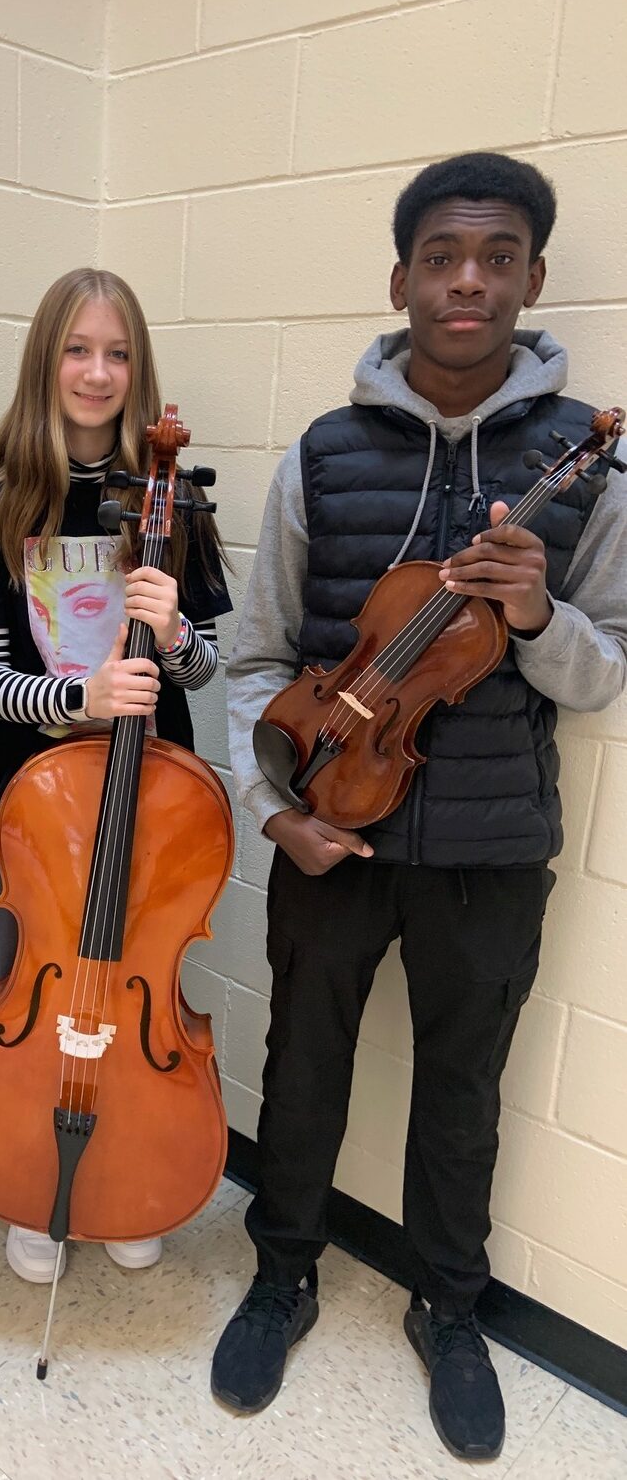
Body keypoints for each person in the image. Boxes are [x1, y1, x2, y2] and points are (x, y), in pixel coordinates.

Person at [217, 153, 627, 1461]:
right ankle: (281, 1271)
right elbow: (259, 660)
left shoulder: (585, 470)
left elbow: (606, 672)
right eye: (442, 256)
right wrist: (271, 809)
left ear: (532, 279)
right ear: (399, 277)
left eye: (497, 257)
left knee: (464, 1090)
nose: (467, 280)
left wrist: (532, 614)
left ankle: (448, 1308)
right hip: (329, 829)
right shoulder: (323, 455)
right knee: (302, 1073)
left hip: (494, 849)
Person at [0, 267, 231, 1284]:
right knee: (31, 983)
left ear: (137, 366)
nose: (98, 372)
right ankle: (35, 1184)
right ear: (45, 362)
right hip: (28, 803)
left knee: (137, 986)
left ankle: (132, 1172)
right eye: (77, 350)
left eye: (117, 353)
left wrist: (175, 629)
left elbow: (204, 668)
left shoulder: (171, 496)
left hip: (158, 799)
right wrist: (78, 705)